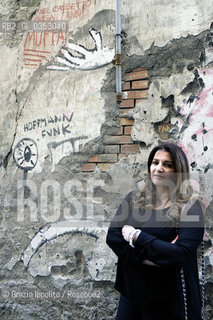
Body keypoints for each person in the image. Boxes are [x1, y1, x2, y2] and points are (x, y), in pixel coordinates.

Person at [106, 142, 204, 320]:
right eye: (155, 162)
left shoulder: (190, 208)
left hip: (167, 301)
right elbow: (113, 237)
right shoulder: (133, 199)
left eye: (167, 165)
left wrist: (137, 237)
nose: (159, 168)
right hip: (131, 296)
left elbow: (180, 254)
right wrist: (150, 258)